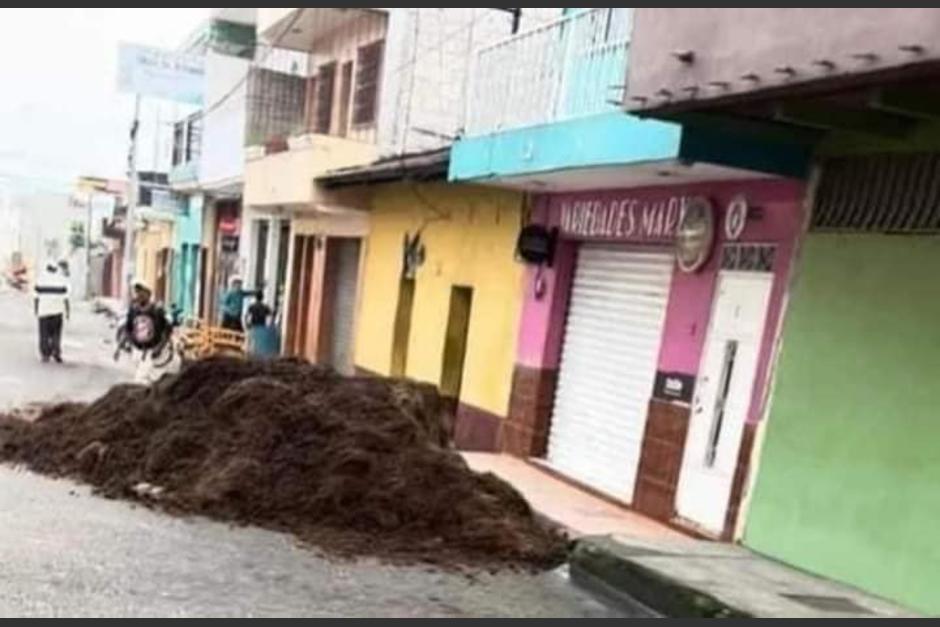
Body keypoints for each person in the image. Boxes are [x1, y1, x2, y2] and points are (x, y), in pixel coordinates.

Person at [34, 261, 70, 363]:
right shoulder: (62, 280)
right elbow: (66, 298)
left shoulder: (40, 279)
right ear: (55, 269)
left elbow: (36, 297)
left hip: (44, 311)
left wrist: (36, 310)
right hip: (57, 311)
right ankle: (56, 352)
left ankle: (45, 354)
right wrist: (67, 312)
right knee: (56, 334)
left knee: (44, 334)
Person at [245, 292, 274, 357]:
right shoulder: (265, 307)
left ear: (255, 298)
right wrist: (270, 324)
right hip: (262, 325)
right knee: (260, 341)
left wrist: (247, 324)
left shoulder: (252, 306)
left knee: (251, 340)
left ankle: (250, 352)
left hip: (253, 325)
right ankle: (258, 354)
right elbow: (271, 315)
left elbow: (247, 316)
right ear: (262, 298)